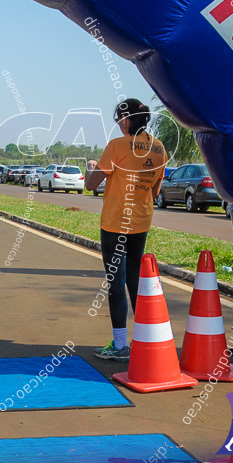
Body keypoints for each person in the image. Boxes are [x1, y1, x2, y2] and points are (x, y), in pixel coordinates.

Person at [84, 98, 167, 361]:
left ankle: (120, 345)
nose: (119, 125)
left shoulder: (117, 146)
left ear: (129, 119)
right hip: (141, 222)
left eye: (120, 120)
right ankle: (144, 340)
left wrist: (90, 168)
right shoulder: (159, 148)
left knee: (116, 283)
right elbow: (155, 190)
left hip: (115, 223)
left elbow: (90, 184)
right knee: (135, 280)